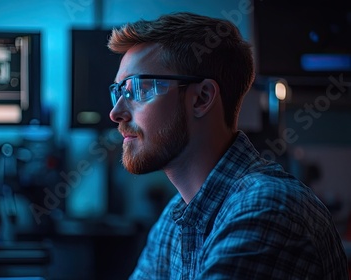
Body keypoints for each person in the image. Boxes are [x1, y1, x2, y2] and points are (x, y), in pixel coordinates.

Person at [107, 11, 349, 279]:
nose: (116, 112)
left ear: (202, 98)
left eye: (137, 89)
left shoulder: (264, 209)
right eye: (118, 92)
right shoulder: (175, 219)